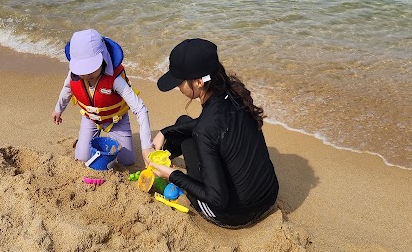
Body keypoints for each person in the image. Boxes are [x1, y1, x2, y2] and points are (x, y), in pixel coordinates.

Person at [149, 39, 279, 228]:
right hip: (269, 196)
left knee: (188, 142)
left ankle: (165, 166)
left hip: (235, 215)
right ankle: (165, 156)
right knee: (183, 123)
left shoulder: (204, 131)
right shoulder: (235, 93)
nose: (178, 87)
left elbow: (217, 198)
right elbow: (210, 125)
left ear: (198, 82)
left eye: (179, 82)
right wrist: (164, 132)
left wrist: (173, 175)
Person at [52, 29, 152, 167]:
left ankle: (98, 141)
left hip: (116, 120)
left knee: (127, 161)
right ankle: (83, 142)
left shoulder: (115, 80)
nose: (86, 74)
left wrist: (147, 146)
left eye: (91, 68)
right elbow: (67, 89)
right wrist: (58, 110)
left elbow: (140, 109)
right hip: (91, 118)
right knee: (82, 157)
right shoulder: (73, 75)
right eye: (82, 70)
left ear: (104, 58)